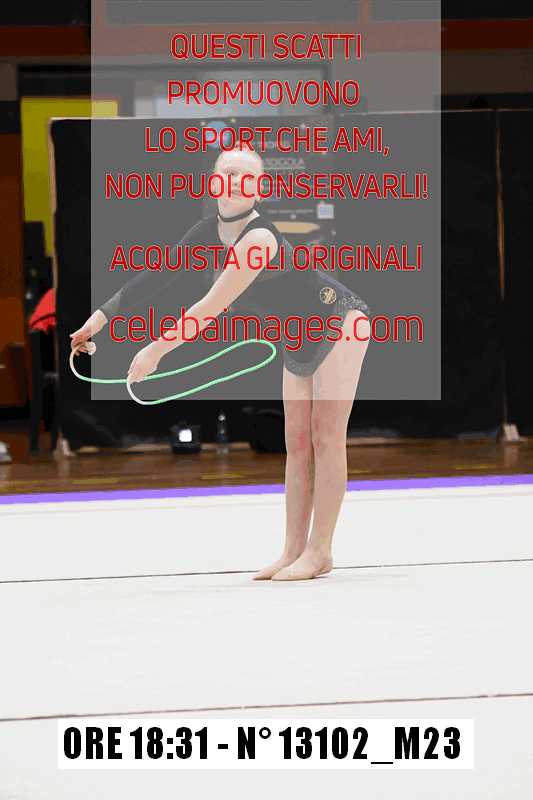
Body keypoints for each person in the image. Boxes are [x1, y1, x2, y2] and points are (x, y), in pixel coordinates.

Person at [71, 146, 372, 581]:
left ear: (259, 189)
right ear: (213, 182)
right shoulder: (206, 231)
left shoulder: (259, 239)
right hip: (296, 335)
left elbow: (211, 305)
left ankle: (320, 550)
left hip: (339, 322)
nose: (234, 182)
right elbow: (157, 275)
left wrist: (156, 350)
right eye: (227, 173)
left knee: (325, 437)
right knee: (296, 441)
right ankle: (292, 550)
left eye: (245, 177)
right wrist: (97, 321)